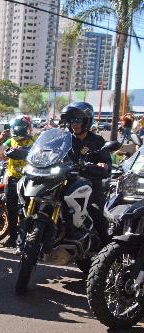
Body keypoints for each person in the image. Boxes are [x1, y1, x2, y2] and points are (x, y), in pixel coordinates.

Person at [60, 102, 110, 246]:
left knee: (97, 213)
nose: (74, 124)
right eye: (71, 121)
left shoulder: (97, 141)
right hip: (67, 181)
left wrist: (103, 165)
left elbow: (106, 164)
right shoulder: (65, 139)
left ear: (86, 121)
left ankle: (106, 250)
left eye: (77, 120)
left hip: (91, 183)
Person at [0, 115, 36, 247]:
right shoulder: (10, 141)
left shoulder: (34, 142)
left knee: (28, 210)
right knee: (11, 210)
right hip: (12, 179)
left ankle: (29, 238)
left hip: (29, 180)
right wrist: (0, 142)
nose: (17, 138)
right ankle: (13, 237)